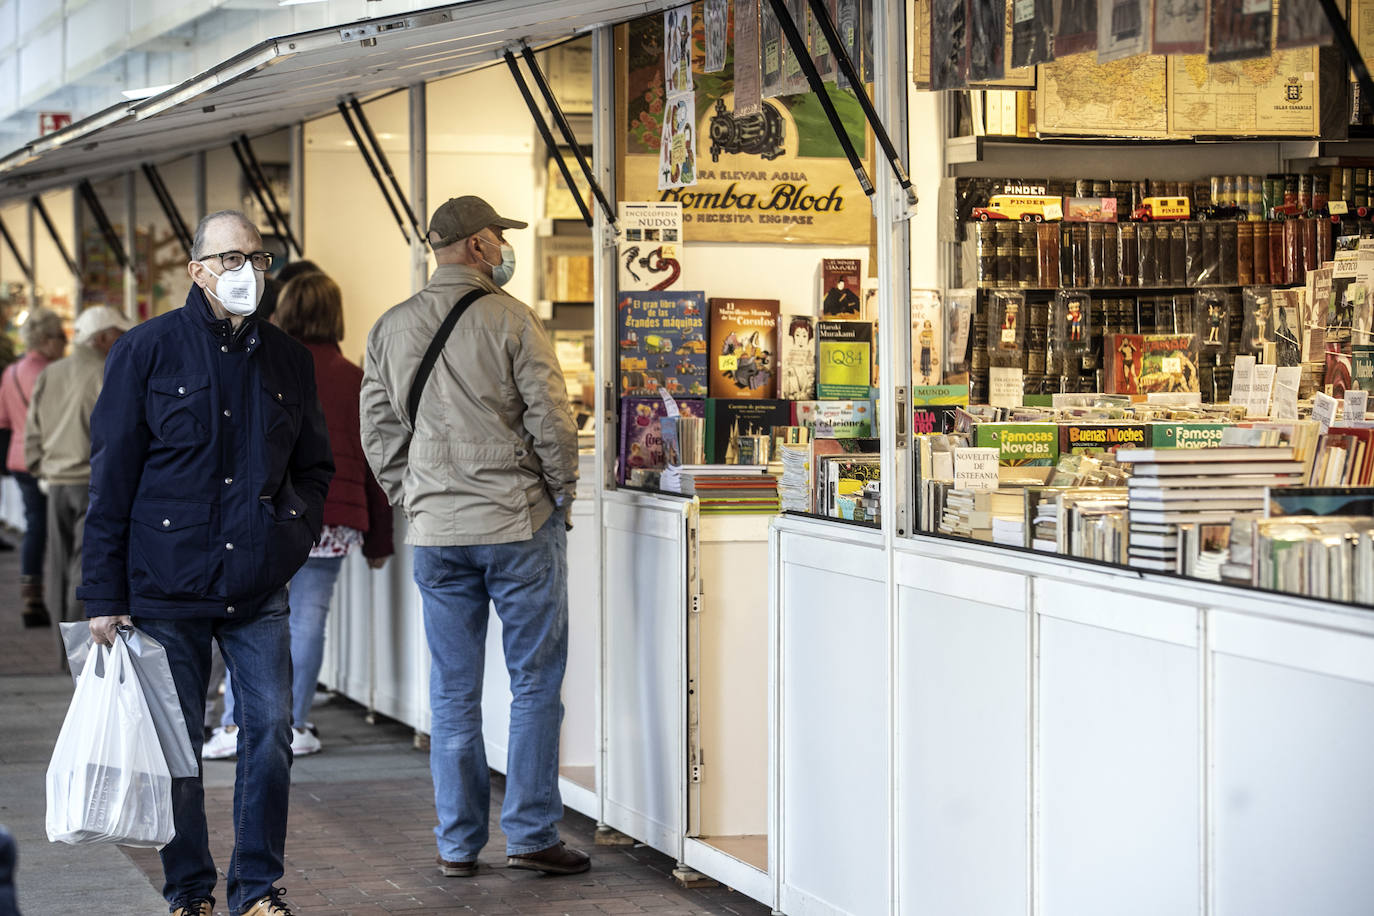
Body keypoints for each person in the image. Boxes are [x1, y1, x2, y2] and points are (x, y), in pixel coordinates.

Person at [79, 210, 333, 916]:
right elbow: (113, 477)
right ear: (196, 270)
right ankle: (189, 889)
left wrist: (291, 532)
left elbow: (314, 466)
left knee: (271, 734)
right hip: (166, 584)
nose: (245, 270)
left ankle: (256, 889)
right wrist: (103, 591)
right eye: (228, 258)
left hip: (258, 583)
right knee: (175, 748)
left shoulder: (289, 359)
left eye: (257, 257)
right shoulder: (145, 351)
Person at [361, 196, 585, 878]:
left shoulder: (390, 327)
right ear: (480, 245)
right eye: (497, 239)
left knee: (453, 693)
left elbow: (377, 429)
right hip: (518, 524)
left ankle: (458, 845)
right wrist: (560, 492)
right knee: (534, 684)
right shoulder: (513, 319)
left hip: (437, 534)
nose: (502, 251)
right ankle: (531, 834)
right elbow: (552, 418)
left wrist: (413, 495)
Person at [205, 271, 393, 760]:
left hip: (267, 512)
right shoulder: (355, 377)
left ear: (283, 310)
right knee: (309, 619)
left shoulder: (264, 364)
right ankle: (296, 724)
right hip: (333, 515)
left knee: (248, 615)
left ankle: (234, 726)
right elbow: (372, 459)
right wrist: (379, 540)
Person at [24, 306, 132, 632]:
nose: (123, 341)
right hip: (90, 481)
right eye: (118, 335)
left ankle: (62, 648)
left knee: (58, 566)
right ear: (101, 338)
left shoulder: (51, 372)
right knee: (85, 566)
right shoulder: (106, 372)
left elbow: (32, 429)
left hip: (54, 481)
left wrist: (40, 468)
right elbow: (116, 433)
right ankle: (80, 650)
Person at [0, 307, 67, 628]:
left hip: (17, 457)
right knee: (48, 529)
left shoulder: (11, 372)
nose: (64, 344)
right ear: (45, 339)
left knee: (34, 526)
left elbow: (4, 419)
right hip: (46, 458)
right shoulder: (51, 373)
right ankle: (53, 597)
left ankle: (32, 594)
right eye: (60, 337)